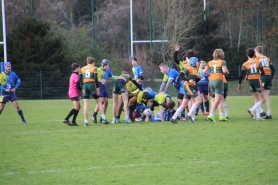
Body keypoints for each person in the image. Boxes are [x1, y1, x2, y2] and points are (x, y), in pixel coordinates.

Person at [170, 57, 202, 123]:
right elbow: (181, 75)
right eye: (197, 62)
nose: (198, 63)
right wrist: (188, 80)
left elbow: (194, 81)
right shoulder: (188, 68)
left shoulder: (195, 69)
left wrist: (199, 79)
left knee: (184, 105)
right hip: (188, 87)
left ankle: (173, 117)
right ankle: (189, 115)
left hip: (191, 87)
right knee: (198, 101)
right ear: (194, 62)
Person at [79, 57, 109, 126]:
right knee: (99, 102)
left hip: (85, 85)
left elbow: (79, 80)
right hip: (91, 85)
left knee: (86, 104)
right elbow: (95, 79)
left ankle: (86, 122)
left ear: (87, 62)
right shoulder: (94, 68)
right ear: (93, 62)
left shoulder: (82, 69)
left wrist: (81, 88)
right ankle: (103, 118)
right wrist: (97, 89)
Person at [237, 48, 264, 120]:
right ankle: (252, 109)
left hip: (250, 81)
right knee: (262, 99)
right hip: (257, 80)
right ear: (254, 54)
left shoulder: (245, 64)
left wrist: (239, 84)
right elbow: (263, 73)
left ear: (247, 55)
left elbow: (241, 75)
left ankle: (258, 116)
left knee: (256, 98)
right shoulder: (258, 62)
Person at [203, 49, 229, 122]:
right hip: (218, 80)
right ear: (221, 55)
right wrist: (227, 72)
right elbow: (224, 71)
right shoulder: (222, 62)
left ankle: (221, 115)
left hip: (211, 81)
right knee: (217, 99)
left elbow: (204, 71)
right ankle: (211, 114)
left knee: (219, 98)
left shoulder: (210, 62)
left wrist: (210, 74)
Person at [92, 59, 118, 123]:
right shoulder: (98, 70)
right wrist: (99, 80)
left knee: (106, 102)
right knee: (101, 101)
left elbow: (112, 76)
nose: (107, 67)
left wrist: (120, 77)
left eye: (108, 65)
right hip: (99, 87)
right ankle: (94, 114)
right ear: (102, 65)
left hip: (104, 87)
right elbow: (94, 78)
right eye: (106, 65)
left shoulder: (108, 70)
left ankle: (102, 118)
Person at [254, 46, 276, 119]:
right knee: (266, 96)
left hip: (262, 77)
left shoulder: (257, 59)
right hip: (268, 76)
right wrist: (271, 77)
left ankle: (257, 111)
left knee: (259, 96)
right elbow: (273, 69)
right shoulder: (267, 58)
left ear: (256, 51)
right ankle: (269, 113)